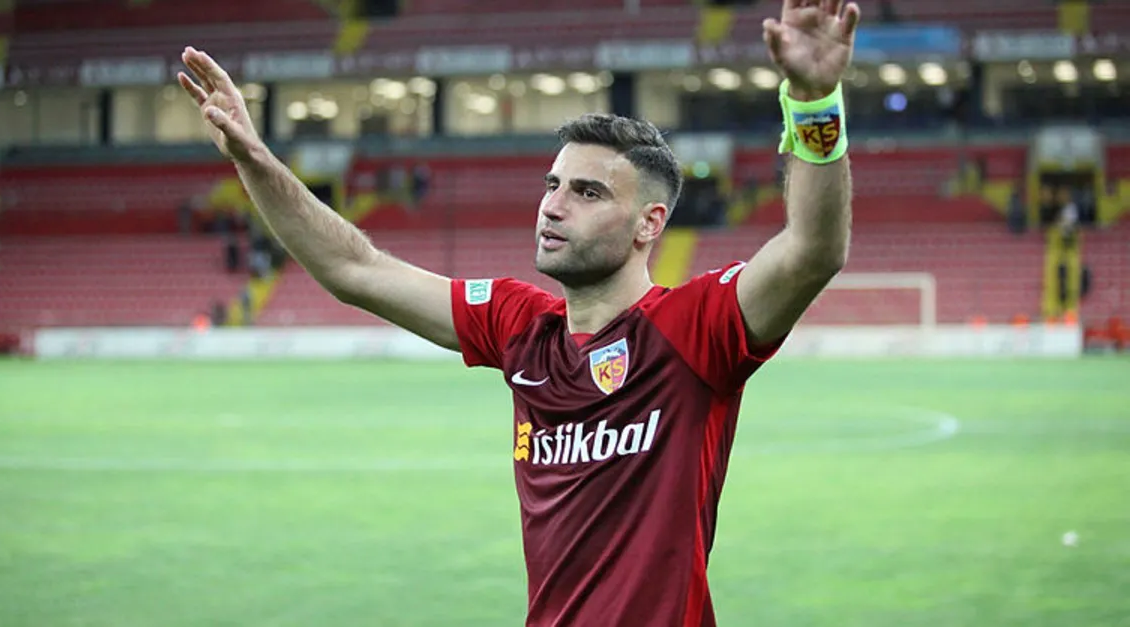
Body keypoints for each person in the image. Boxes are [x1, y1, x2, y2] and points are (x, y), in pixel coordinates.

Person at [177, 0, 858, 623]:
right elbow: (354, 269)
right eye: (552, 185)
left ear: (650, 223)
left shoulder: (693, 329)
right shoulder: (519, 325)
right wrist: (254, 157)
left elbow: (812, 251)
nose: (553, 206)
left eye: (587, 193)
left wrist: (813, 101)